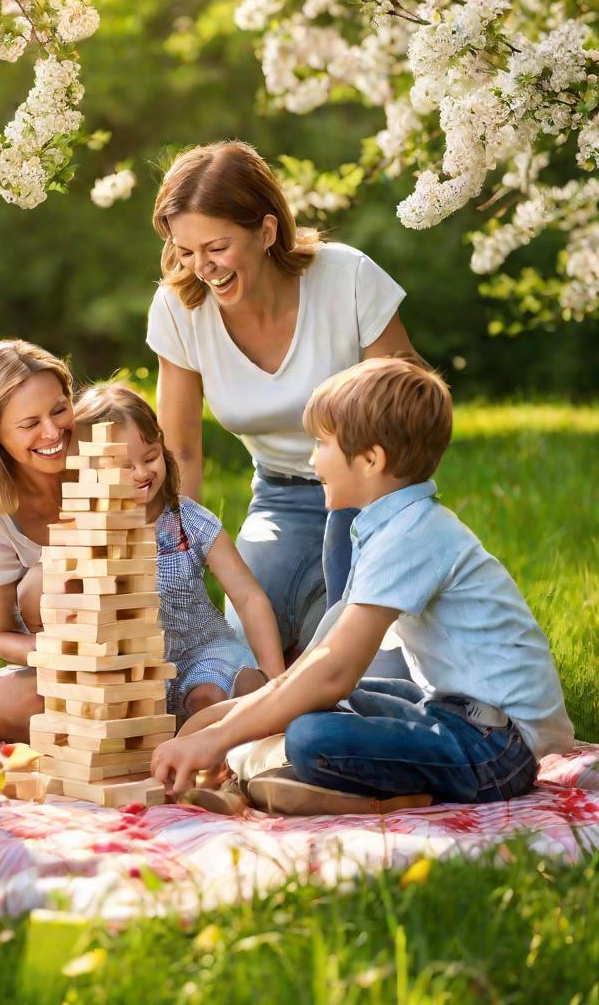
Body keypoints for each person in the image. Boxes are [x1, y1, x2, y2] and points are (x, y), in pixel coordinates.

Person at [151, 356, 575, 815]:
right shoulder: (382, 525)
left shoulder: (413, 534)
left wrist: (222, 736)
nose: (313, 459)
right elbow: (319, 662)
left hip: (497, 747)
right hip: (452, 713)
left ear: (371, 460)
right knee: (327, 700)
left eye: (321, 444)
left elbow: (334, 670)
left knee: (312, 734)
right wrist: (229, 717)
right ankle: (299, 776)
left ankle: (385, 793)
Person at [147, 140, 419, 664]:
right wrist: (175, 558)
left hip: (376, 496)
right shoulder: (180, 308)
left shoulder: (347, 278)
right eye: (186, 251)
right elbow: (178, 451)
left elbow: (409, 408)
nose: (202, 267)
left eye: (217, 247)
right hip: (281, 500)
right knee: (238, 658)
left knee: (375, 672)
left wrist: (394, 521)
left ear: (266, 232)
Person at [73, 383, 284, 716]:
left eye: (150, 456)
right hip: (135, 672)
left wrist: (276, 680)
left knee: (210, 700)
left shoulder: (188, 519)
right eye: (126, 466)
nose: (143, 472)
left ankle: (248, 704)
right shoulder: (87, 533)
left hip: (204, 655)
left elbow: (248, 597)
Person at [0, 340, 75, 742]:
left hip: (145, 643)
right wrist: (64, 652)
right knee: (27, 704)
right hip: (54, 661)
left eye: (59, 409)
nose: (53, 432)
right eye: (30, 424)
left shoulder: (106, 454)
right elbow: (0, 632)